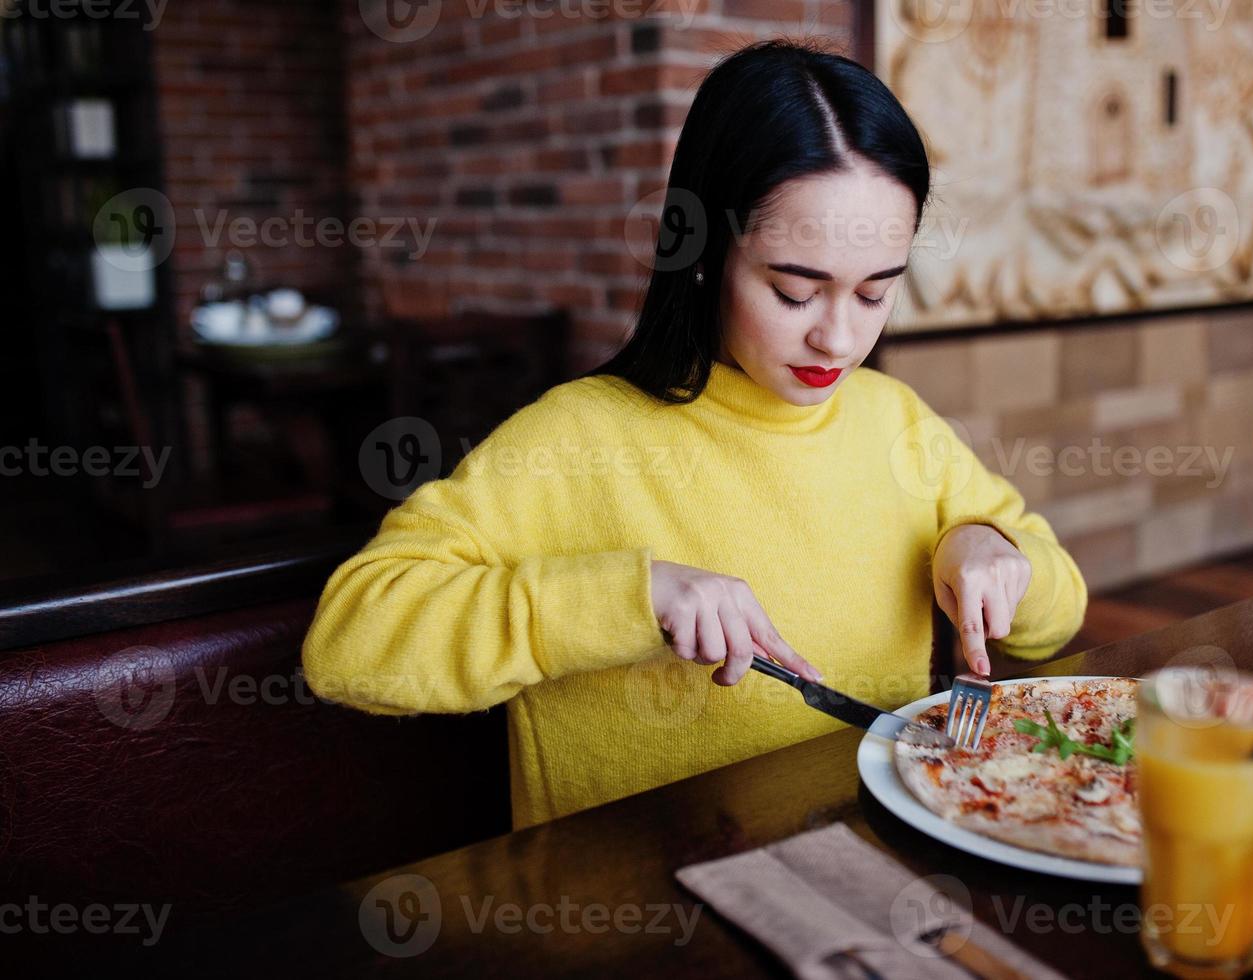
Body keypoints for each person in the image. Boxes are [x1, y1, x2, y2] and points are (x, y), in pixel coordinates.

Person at [302, 38, 1087, 830]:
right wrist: (627, 597)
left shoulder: (896, 421)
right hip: (637, 910)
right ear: (707, 255)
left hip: (870, 863)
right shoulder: (576, 437)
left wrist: (990, 547)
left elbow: (1057, 617)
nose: (839, 341)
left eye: (875, 292)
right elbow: (349, 645)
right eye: (793, 292)